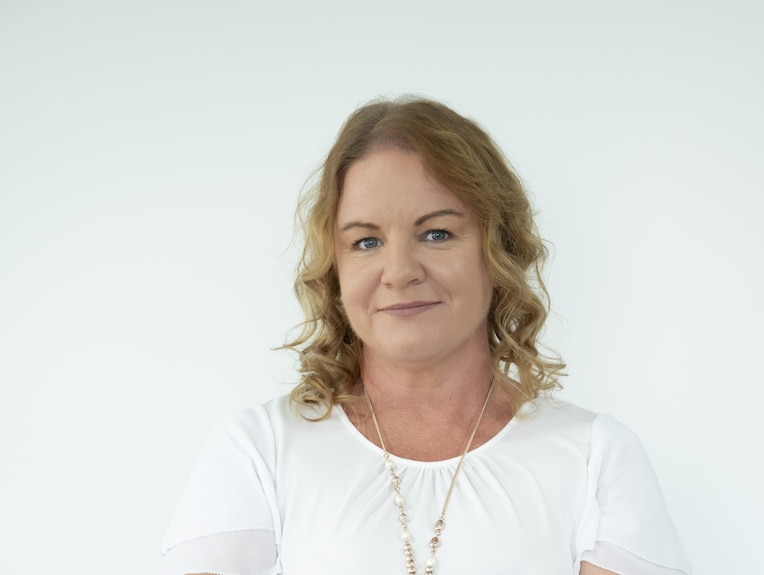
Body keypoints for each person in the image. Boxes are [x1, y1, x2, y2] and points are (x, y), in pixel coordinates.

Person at [158, 97, 692, 575]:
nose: (398, 270)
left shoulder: (594, 457)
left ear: (497, 251)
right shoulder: (260, 452)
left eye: (436, 233)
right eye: (366, 242)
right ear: (335, 269)